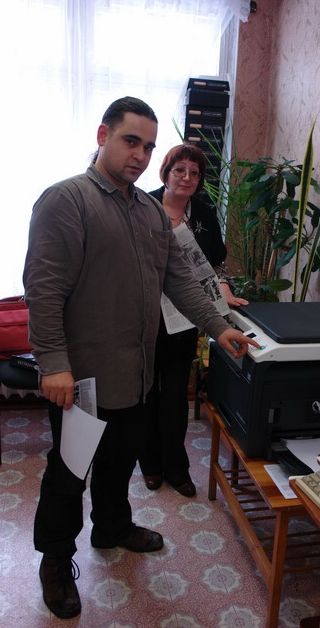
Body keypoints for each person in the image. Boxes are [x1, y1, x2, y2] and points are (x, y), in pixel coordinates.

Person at [23, 96, 255, 620]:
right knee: (69, 473)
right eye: (131, 141)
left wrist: (219, 327)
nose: (141, 155)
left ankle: (112, 527)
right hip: (83, 381)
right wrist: (54, 363)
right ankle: (55, 560)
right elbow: (44, 289)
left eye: (149, 146)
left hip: (137, 373)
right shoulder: (67, 201)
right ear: (102, 135)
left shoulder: (151, 212)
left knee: (119, 461)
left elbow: (180, 280)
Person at [139, 144, 248, 497]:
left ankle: (176, 468)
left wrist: (224, 289)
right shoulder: (142, 206)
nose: (187, 178)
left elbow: (215, 262)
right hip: (145, 316)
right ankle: (150, 464)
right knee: (145, 393)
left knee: (175, 394)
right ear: (166, 172)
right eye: (179, 170)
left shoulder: (203, 212)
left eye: (194, 173)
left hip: (185, 315)